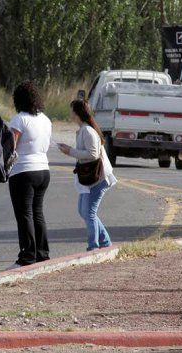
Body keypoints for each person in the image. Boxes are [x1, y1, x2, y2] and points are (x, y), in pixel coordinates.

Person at [58, 100, 115, 251]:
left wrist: (70, 151)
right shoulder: (84, 129)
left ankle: (93, 247)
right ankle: (105, 242)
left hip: (97, 178)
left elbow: (93, 154)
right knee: (83, 211)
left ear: (77, 113)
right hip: (90, 178)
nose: (70, 113)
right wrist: (69, 150)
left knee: (89, 213)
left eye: (71, 110)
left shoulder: (87, 130)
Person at [8, 80, 52, 268]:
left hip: (23, 170)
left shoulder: (19, 119)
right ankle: (42, 253)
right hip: (43, 169)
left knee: (24, 214)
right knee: (37, 212)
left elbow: (11, 146)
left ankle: (27, 256)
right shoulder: (45, 119)